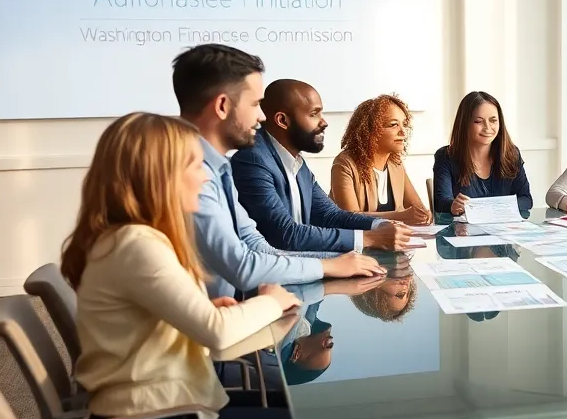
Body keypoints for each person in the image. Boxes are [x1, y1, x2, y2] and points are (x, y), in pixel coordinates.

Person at [59, 112, 381, 419]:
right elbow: (215, 333)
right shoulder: (138, 245)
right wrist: (267, 302)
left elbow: (171, 323)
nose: (203, 175)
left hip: (144, 413)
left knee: (308, 410)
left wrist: (210, 307)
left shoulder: (125, 237)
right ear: (158, 175)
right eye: (192, 165)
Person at [173, 43, 386, 307]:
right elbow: (244, 267)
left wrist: (337, 262)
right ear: (222, 106)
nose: (262, 116)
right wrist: (329, 266)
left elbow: (259, 247)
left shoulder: (218, 168)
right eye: (254, 104)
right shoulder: (187, 174)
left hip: (226, 319)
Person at [232, 79, 412, 253]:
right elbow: (285, 235)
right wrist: (370, 238)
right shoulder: (253, 160)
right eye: (314, 114)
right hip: (272, 279)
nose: (324, 122)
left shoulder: (297, 164)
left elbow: (331, 215)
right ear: (282, 121)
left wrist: (380, 225)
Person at [331, 94, 433, 225]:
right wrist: (400, 217)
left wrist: (424, 215)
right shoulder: (345, 163)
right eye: (393, 125)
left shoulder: (395, 164)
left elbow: (418, 209)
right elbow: (349, 218)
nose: (403, 132)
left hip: (392, 242)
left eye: (404, 124)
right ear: (370, 130)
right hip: (356, 244)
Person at [432, 91, 533, 215]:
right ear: (464, 124)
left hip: (505, 231)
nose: (487, 128)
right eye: (478, 121)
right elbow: (441, 202)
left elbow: (526, 200)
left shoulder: (511, 154)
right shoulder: (446, 156)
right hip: (463, 232)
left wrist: (487, 208)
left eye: (493, 121)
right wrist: (453, 205)